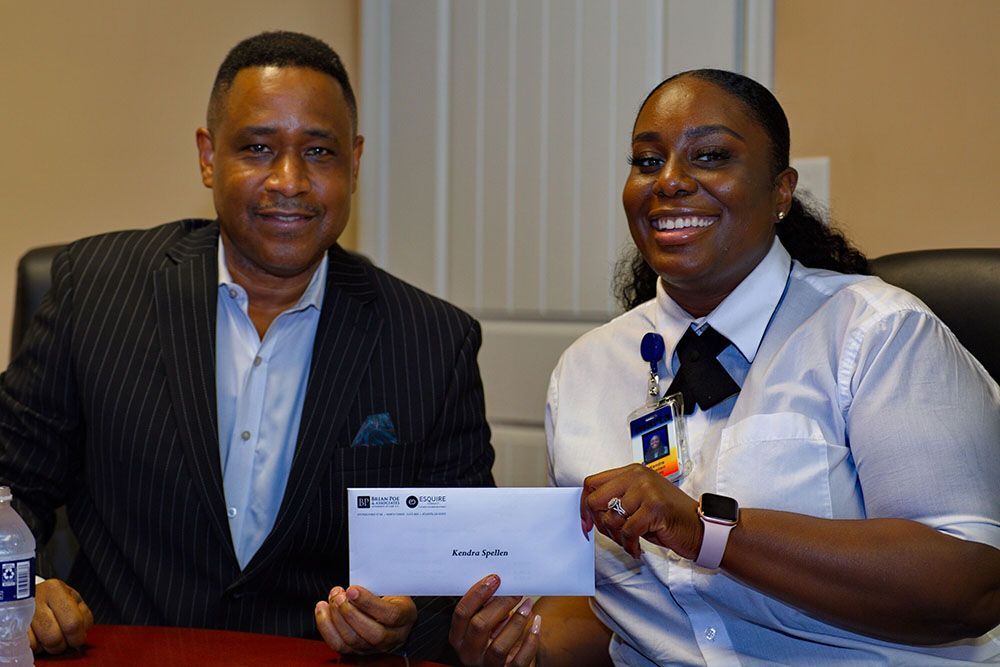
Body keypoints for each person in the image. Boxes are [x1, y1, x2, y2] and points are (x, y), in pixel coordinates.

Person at [449, 69, 1000, 665]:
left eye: (710, 156)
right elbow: (620, 607)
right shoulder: (586, 370)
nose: (669, 182)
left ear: (782, 191)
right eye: (646, 161)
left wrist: (704, 529)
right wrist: (523, 648)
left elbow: (969, 586)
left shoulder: (877, 333)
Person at [0, 31, 494, 660]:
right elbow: (9, 488)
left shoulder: (432, 342)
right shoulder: (92, 291)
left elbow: (459, 568)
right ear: (209, 157)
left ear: (355, 163)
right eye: (258, 147)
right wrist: (22, 589)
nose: (289, 181)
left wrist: (406, 625)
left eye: (319, 151)